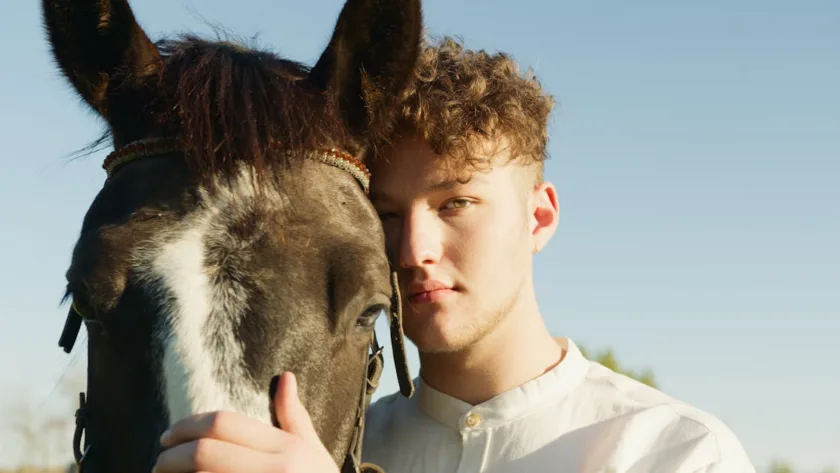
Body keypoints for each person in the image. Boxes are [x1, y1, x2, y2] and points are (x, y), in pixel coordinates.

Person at [153, 37, 755, 473]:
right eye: (387, 214)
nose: (413, 251)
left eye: (456, 204)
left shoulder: (676, 453)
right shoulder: (327, 450)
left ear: (539, 217)